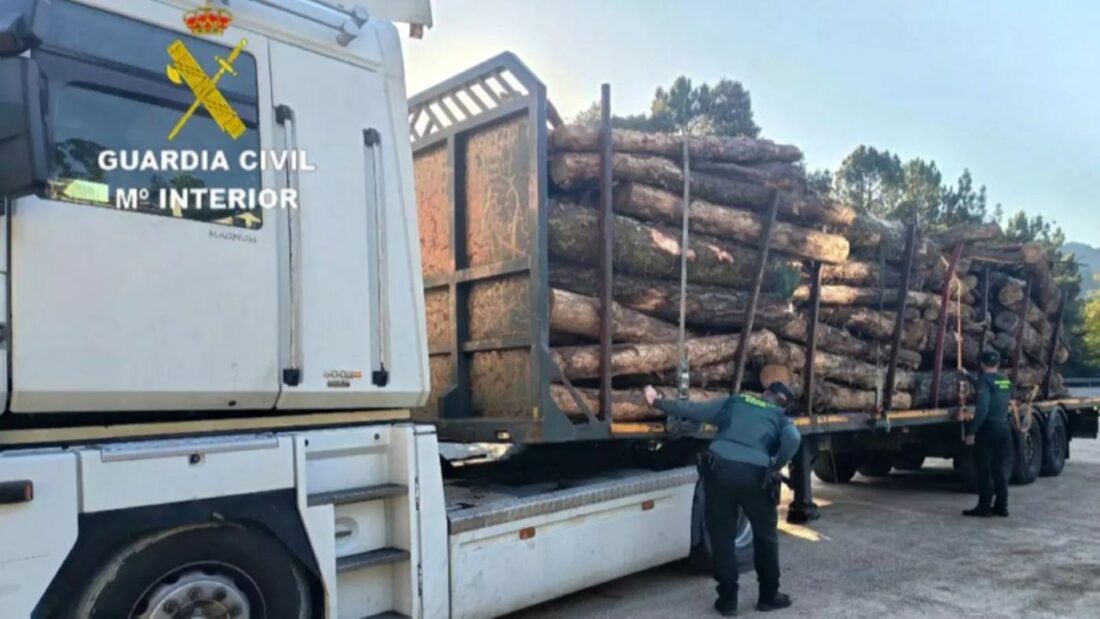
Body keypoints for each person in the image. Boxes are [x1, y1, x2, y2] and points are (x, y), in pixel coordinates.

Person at [644, 376, 802, 617]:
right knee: (765, 537)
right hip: (755, 476)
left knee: (722, 536)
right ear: (784, 403)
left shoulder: (736, 401)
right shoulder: (780, 417)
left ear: (765, 392)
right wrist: (774, 466)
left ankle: (727, 601)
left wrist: (658, 402)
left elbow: (695, 410)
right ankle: (769, 597)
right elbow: (793, 439)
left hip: (719, 471)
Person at [963, 350, 1014, 518]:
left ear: (982, 364)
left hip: (988, 429)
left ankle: (984, 507)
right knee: (1000, 469)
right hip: (1004, 427)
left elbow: (983, 409)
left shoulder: (984, 382)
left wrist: (972, 432)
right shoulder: (1006, 382)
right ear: (997, 364)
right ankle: (1002, 506)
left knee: (984, 469)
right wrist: (968, 376)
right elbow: (998, 391)